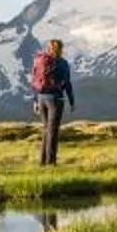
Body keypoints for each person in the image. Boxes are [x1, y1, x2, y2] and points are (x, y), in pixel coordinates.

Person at [30, 37, 75, 166]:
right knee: (53, 131)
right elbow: (67, 83)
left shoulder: (39, 60)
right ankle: (51, 162)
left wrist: (35, 100)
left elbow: (34, 80)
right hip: (55, 99)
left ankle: (43, 162)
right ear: (60, 49)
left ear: (48, 48)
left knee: (46, 129)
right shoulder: (62, 63)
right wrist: (71, 101)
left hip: (41, 98)